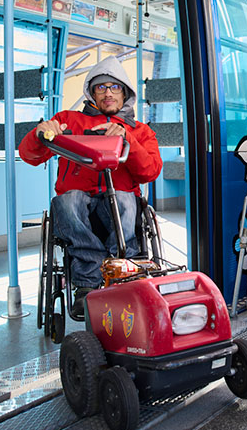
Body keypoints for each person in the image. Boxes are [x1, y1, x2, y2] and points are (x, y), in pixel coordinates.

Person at [19, 55, 162, 315]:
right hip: (77, 201)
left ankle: (125, 269)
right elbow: (30, 156)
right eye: (101, 87)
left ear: (126, 93)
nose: (108, 93)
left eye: (115, 87)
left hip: (120, 202)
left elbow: (150, 172)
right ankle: (88, 280)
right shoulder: (68, 121)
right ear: (92, 93)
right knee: (67, 199)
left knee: (123, 199)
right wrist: (40, 133)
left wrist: (127, 139)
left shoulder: (140, 131)